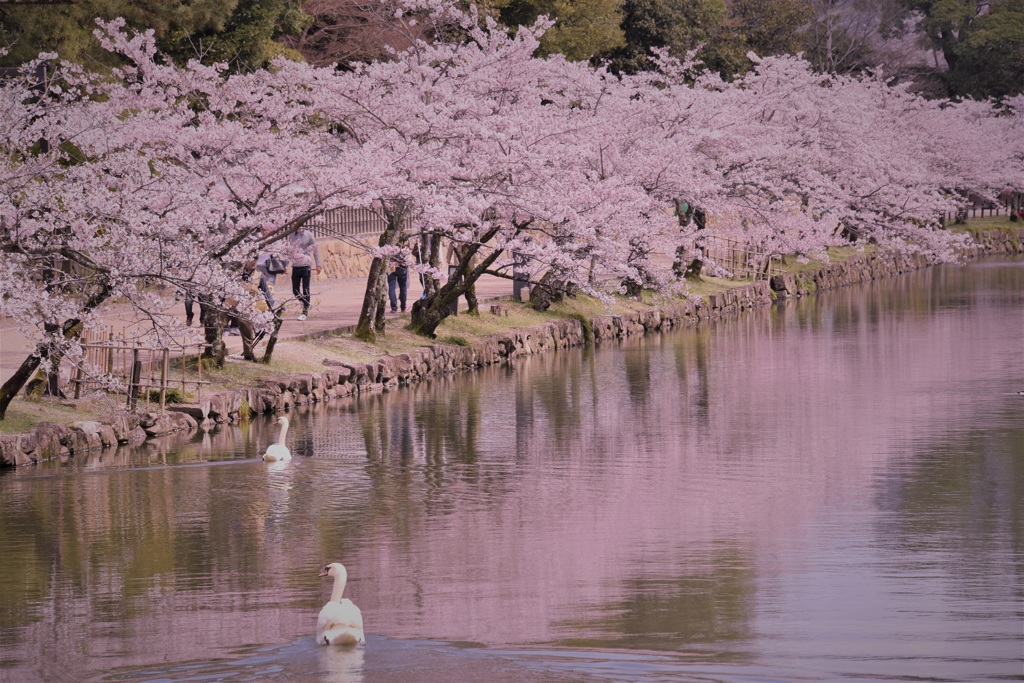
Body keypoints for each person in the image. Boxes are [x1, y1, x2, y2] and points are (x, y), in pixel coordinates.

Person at [228, 260, 274, 362]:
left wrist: (272, 308)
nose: (254, 262)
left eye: (256, 260)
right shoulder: (236, 272)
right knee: (218, 324)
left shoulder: (259, 275)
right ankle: (214, 350)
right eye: (251, 260)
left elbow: (267, 293)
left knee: (247, 330)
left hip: (246, 305)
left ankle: (249, 354)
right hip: (230, 302)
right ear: (245, 260)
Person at [286, 225, 321, 321]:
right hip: (295, 265)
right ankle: (306, 304)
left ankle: (304, 312)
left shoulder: (309, 235)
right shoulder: (291, 235)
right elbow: (289, 251)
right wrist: (286, 265)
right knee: (295, 290)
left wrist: (318, 264)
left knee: (306, 289)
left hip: (306, 265)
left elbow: (315, 250)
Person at [387, 247, 409, 313]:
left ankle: (394, 308)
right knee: (403, 287)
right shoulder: (405, 242)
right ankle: (403, 307)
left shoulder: (390, 241)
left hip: (391, 265)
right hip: (402, 266)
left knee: (391, 286)